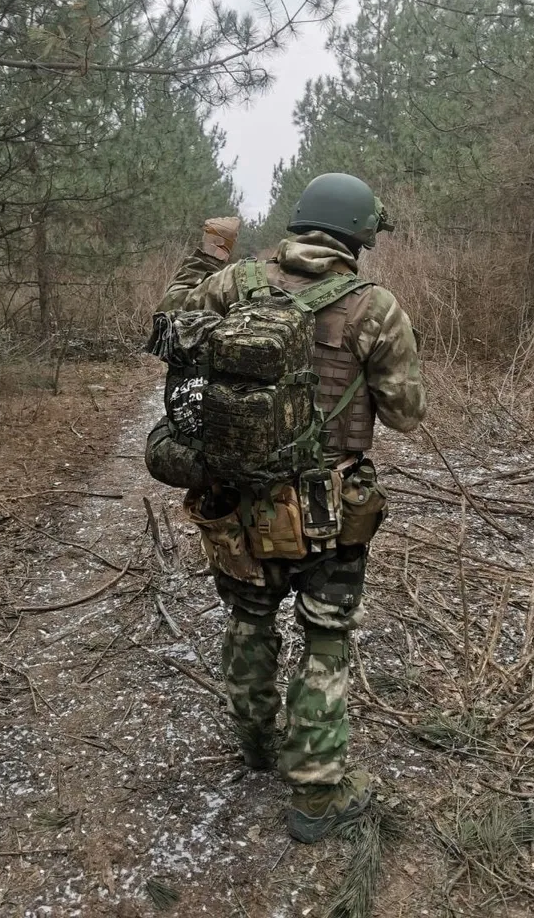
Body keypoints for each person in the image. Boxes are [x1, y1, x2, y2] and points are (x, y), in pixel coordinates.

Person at [157, 173, 426, 843]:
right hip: (328, 514)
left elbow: (167, 335)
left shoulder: (237, 283)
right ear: (358, 236)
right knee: (325, 639)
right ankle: (315, 797)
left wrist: (206, 260)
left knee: (249, 621)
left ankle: (255, 748)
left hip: (238, 499)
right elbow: (406, 417)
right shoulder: (376, 307)